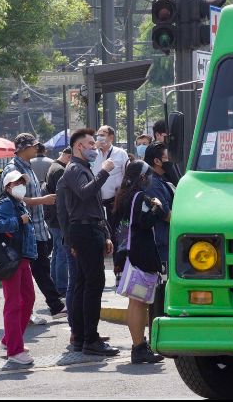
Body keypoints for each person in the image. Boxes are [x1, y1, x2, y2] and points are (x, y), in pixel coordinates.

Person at [63, 128, 119, 356]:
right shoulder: (74, 169)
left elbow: (96, 205)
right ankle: (89, 339)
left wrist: (105, 232)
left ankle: (84, 335)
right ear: (79, 146)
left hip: (91, 229)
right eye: (90, 144)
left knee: (86, 285)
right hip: (83, 231)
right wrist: (104, 172)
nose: (94, 148)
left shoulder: (84, 168)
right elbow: (86, 194)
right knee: (91, 286)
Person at [3, 134, 65, 324]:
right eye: (33, 146)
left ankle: (50, 306)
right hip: (24, 232)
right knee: (35, 272)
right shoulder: (13, 170)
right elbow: (15, 200)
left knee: (40, 270)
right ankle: (53, 306)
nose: (36, 148)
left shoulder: (27, 166)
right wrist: (43, 200)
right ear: (23, 148)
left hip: (37, 228)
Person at [112, 161, 165, 364]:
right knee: (138, 302)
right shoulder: (139, 197)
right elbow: (145, 222)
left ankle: (139, 344)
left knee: (135, 301)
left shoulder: (122, 195)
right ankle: (138, 347)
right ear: (142, 177)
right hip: (140, 254)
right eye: (148, 175)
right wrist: (157, 208)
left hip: (126, 253)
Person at [0, 170, 37, 365]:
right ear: (8, 186)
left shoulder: (18, 202)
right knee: (14, 304)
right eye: (17, 183)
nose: (21, 186)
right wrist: (18, 221)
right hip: (12, 260)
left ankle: (9, 340)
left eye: (22, 182)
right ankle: (14, 351)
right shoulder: (6, 203)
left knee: (28, 299)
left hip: (22, 258)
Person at [142, 142, 175, 337]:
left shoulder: (161, 180)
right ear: (156, 161)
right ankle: (158, 335)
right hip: (161, 243)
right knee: (159, 293)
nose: (170, 161)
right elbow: (165, 213)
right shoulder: (153, 183)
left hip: (166, 242)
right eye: (167, 157)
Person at [91, 125, 129, 284]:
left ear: (111, 137)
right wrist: (96, 150)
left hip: (115, 203)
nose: (100, 137)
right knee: (98, 238)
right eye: (98, 134)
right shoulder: (92, 153)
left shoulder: (120, 153)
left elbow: (127, 175)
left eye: (103, 134)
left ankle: (119, 272)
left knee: (117, 237)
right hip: (97, 203)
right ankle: (97, 275)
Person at [46, 147, 72, 297]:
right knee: (61, 252)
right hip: (58, 219)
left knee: (57, 253)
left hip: (53, 218)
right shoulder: (60, 171)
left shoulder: (53, 167)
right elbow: (63, 197)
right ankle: (61, 286)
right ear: (68, 156)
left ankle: (56, 284)